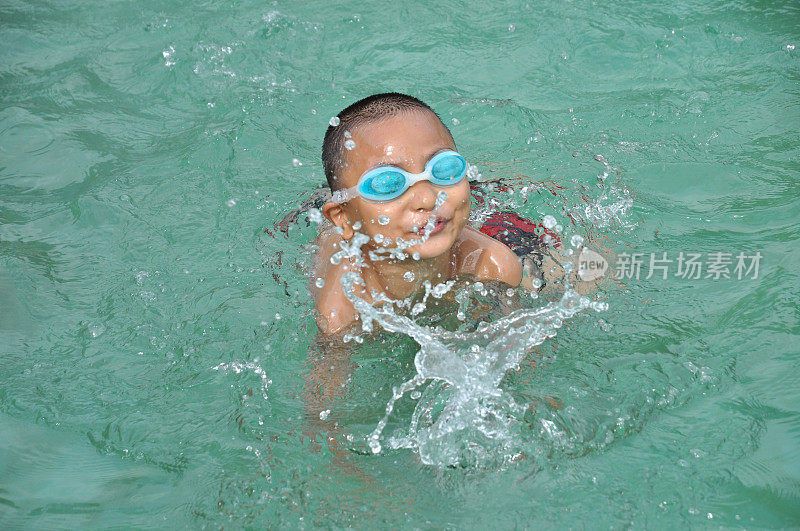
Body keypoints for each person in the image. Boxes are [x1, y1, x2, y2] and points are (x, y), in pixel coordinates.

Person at [313, 93, 576, 336]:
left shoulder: (492, 264)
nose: (428, 198)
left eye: (443, 168)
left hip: (494, 226)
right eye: (387, 184)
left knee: (581, 275)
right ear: (343, 218)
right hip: (326, 217)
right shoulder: (343, 305)